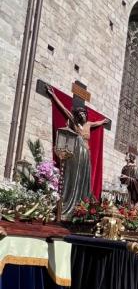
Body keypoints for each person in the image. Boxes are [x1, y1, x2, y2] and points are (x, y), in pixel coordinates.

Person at [47, 87, 109, 219]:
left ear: (86, 115)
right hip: (75, 151)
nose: (82, 116)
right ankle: (68, 204)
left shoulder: (89, 124)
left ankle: (81, 205)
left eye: (83, 114)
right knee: (74, 176)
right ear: (76, 115)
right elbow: (63, 108)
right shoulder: (73, 122)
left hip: (86, 153)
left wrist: (104, 121)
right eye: (79, 114)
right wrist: (54, 96)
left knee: (83, 177)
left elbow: (98, 122)